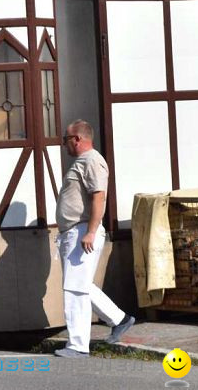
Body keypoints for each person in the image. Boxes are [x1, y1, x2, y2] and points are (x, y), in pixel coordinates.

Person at [54, 119, 135, 358]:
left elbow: (99, 196)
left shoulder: (91, 160)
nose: (64, 145)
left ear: (77, 139)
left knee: (74, 288)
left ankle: (78, 345)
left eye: (65, 139)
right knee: (80, 284)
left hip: (82, 230)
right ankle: (120, 319)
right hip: (75, 231)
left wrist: (90, 231)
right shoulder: (83, 162)